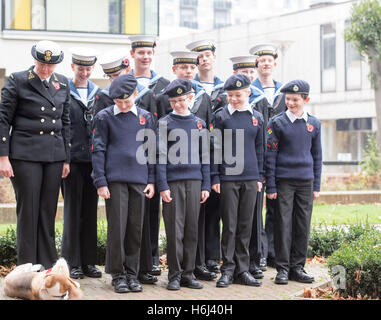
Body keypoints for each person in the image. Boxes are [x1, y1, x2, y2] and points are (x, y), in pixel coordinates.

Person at [0, 40, 70, 269]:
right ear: (35, 60)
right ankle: (26, 266)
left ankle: (48, 264)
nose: (45, 69)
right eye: (42, 63)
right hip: (25, 154)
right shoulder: (18, 80)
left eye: (50, 66)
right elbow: (3, 120)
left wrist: (66, 158)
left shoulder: (62, 83)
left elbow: (65, 122)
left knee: (47, 210)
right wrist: (3, 157)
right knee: (28, 210)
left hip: (53, 155)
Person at [94, 49, 158, 285]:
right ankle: (118, 274)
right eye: (118, 101)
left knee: (135, 227)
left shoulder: (146, 117)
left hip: (140, 179)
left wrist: (152, 180)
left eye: (126, 100)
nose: (122, 105)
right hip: (115, 180)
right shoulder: (104, 117)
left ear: (135, 94)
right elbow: (98, 149)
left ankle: (132, 273)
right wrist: (100, 181)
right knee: (117, 228)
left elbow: (152, 151)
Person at [155, 51, 216, 282]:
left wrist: (206, 185)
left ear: (191, 98)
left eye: (183, 100)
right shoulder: (164, 123)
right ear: (170, 102)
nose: (179, 104)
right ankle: (174, 274)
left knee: (192, 230)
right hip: (172, 183)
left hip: (195, 182)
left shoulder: (199, 124)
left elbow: (205, 156)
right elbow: (159, 157)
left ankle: (189, 274)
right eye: (174, 101)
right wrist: (162, 185)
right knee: (174, 231)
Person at [265, 80, 322, 285]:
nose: (291, 103)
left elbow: (317, 155)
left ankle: (298, 267)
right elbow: (270, 155)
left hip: (306, 182)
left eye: (295, 99)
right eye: (288, 99)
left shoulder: (314, 124)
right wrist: (270, 186)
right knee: (283, 224)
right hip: (284, 182)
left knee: (302, 225)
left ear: (306, 100)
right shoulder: (276, 123)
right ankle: (282, 268)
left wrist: (316, 186)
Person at [211, 74, 264, 288]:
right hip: (228, 178)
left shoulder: (257, 117)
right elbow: (214, 148)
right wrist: (215, 176)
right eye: (230, 95)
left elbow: (260, 148)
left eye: (238, 95)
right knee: (230, 226)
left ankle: (243, 270)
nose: (233, 99)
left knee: (245, 226)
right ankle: (228, 270)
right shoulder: (220, 117)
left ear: (248, 93)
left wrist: (260, 176)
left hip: (251, 178)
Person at [129, 35, 170, 277]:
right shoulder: (126, 83)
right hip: (131, 157)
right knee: (132, 214)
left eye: (148, 52)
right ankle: (132, 261)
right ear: (132, 54)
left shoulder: (163, 85)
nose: (145, 56)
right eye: (140, 52)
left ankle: (152, 258)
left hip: (154, 156)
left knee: (152, 211)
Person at [61, 47, 102, 280]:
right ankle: (71, 263)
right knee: (72, 212)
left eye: (88, 68)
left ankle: (89, 262)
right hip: (71, 162)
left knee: (90, 211)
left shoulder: (98, 94)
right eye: (80, 68)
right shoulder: (64, 91)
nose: (84, 72)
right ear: (72, 68)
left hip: (92, 162)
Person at [248, 43, 287, 273]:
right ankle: (258, 253)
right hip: (254, 158)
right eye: (261, 59)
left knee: (276, 207)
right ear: (256, 63)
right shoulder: (249, 92)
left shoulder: (284, 92)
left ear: (275, 62)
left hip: (277, 159)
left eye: (269, 59)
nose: (265, 63)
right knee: (254, 210)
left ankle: (273, 252)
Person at [186, 39, 224, 273]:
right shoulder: (186, 91)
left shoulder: (224, 87)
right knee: (196, 214)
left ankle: (212, 257)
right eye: (200, 56)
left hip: (213, 159)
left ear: (213, 57)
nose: (204, 58)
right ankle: (197, 260)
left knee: (214, 212)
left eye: (208, 54)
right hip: (189, 162)